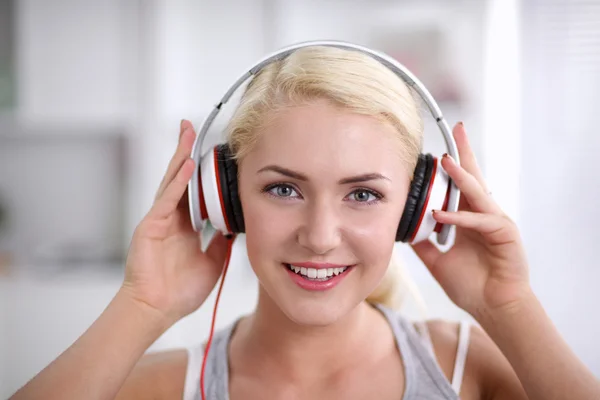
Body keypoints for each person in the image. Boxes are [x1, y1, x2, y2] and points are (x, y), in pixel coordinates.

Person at [10, 46, 599, 400]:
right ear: (223, 198)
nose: (319, 236)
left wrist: (511, 307)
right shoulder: (164, 387)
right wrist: (142, 306)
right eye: (283, 188)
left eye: (363, 194)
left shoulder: (469, 371)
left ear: (417, 208)